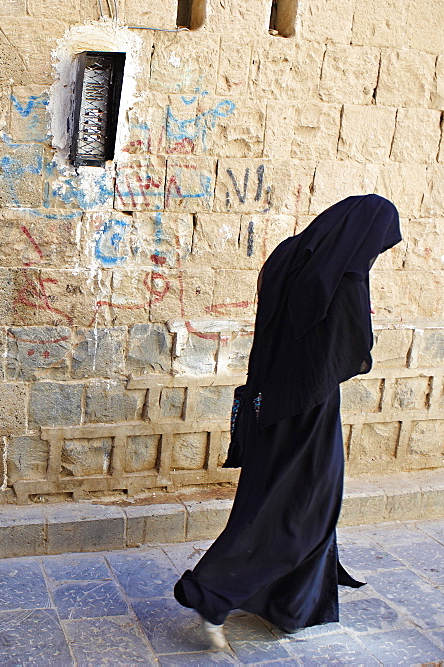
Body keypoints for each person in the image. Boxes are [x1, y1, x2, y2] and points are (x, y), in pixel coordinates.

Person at [173, 194, 402, 648]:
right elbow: (353, 349)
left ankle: (291, 607)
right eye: (375, 247)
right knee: (307, 511)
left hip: (265, 401)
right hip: (309, 410)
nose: (371, 257)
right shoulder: (344, 275)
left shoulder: (286, 254)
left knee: (269, 503)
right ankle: (213, 592)